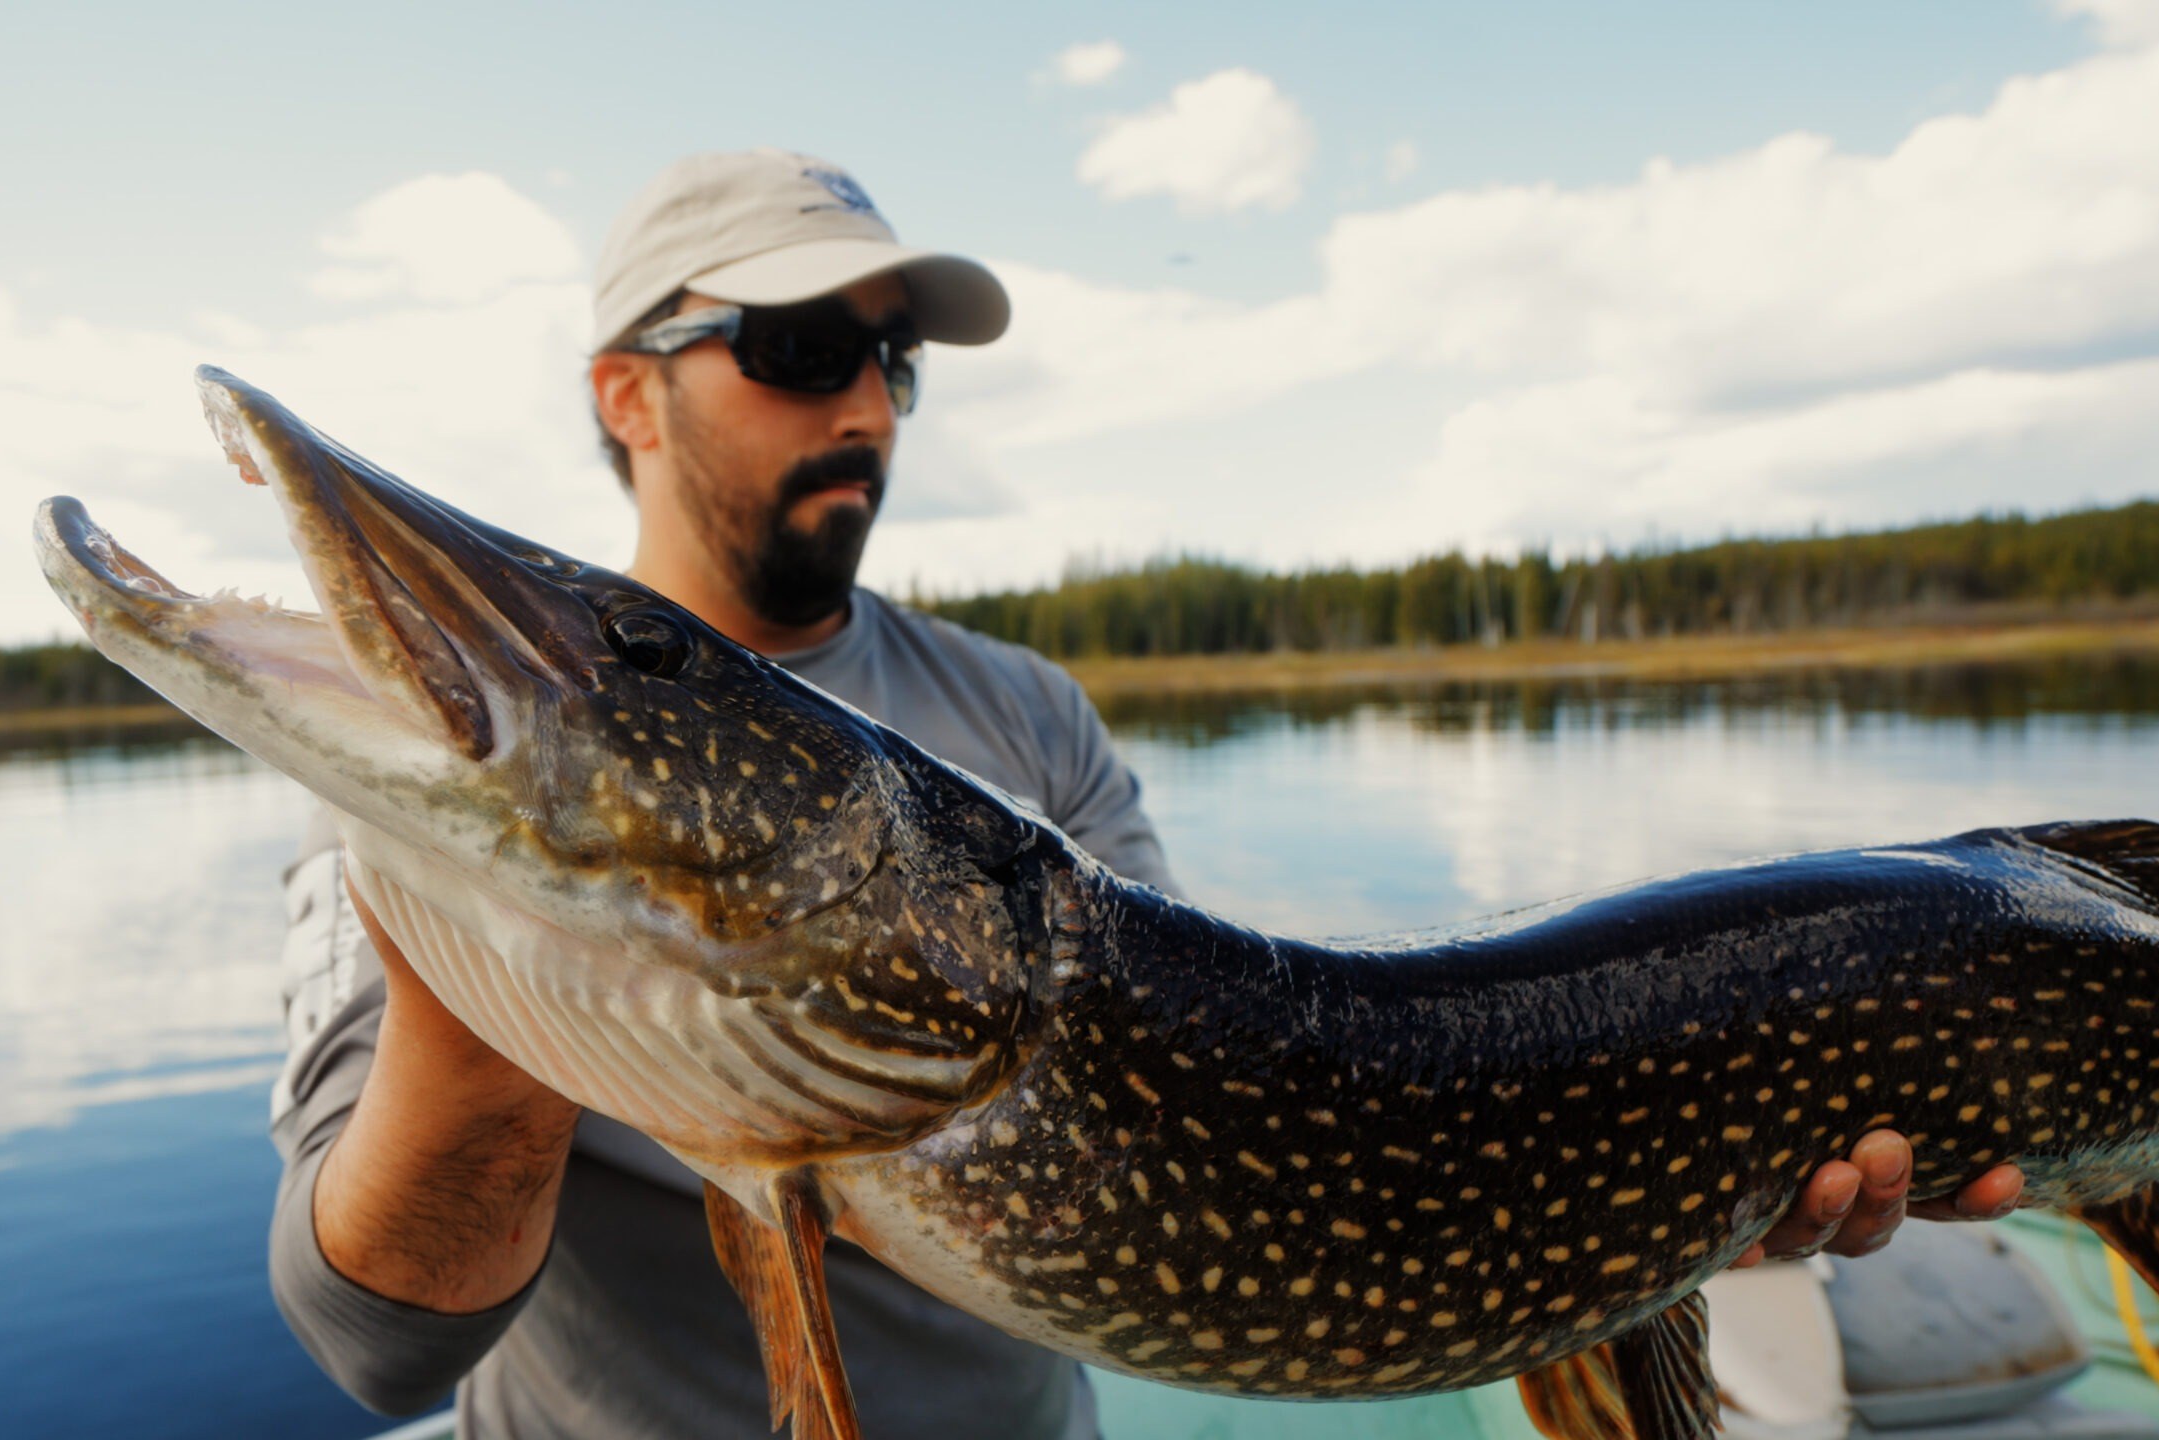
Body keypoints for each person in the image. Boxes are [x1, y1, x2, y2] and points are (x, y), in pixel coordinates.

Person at [266, 149, 2025, 1439]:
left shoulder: (1021, 716)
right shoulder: (426, 785)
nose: (871, 402)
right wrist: (492, 1011)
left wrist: (1677, 1189)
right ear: (626, 395)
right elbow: (376, 1349)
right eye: (804, 348)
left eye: (899, 359)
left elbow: (1264, 1071)